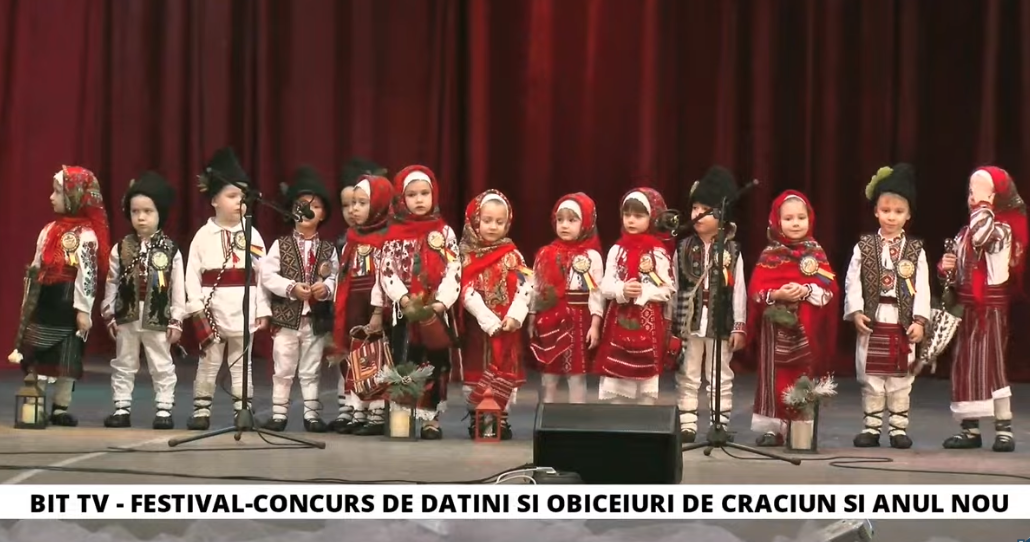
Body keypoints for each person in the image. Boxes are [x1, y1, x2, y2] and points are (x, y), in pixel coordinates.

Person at [9, 165, 111, 427]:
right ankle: (34, 403)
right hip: (45, 300)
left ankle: (60, 407)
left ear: (75, 197)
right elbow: (36, 264)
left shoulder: (85, 236)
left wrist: (83, 310)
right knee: (38, 355)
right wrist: (29, 298)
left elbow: (87, 276)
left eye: (57, 192)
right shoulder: (49, 230)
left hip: (68, 303)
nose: (51, 197)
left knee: (66, 358)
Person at [938, 166, 1027, 452]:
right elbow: (959, 270)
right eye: (971, 192)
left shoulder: (1001, 230)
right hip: (968, 309)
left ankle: (1004, 430)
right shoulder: (966, 231)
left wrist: (982, 205)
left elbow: (981, 236)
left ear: (995, 197)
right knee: (966, 368)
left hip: (990, 309)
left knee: (992, 366)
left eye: (981, 192)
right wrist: (946, 269)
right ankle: (970, 430)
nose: (973, 198)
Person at [185, 147, 272, 430]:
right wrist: (196, 308)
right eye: (232, 196)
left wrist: (262, 308)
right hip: (212, 310)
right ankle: (201, 410)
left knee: (242, 363)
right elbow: (191, 275)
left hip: (243, 309)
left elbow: (262, 274)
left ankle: (242, 411)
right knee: (209, 362)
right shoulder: (203, 235)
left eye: (243, 197)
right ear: (214, 200)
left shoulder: (252, 233)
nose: (239, 202)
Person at [844, 164, 930, 449]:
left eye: (898, 211)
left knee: (900, 376)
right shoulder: (864, 246)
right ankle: (871, 427)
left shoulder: (915, 250)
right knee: (871, 375)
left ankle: (897, 428)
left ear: (908, 215)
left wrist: (919, 320)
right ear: (876, 211)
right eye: (886, 210)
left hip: (902, 320)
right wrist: (856, 311)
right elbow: (852, 281)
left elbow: (923, 287)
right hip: (874, 317)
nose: (891, 217)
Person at [748, 190, 838, 446]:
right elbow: (756, 291)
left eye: (801, 217)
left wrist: (806, 290)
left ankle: (799, 428)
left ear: (810, 219)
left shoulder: (816, 254)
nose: (796, 223)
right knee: (774, 377)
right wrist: (777, 294)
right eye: (788, 218)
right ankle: (772, 428)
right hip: (774, 331)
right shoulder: (770, 254)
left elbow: (829, 290)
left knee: (801, 376)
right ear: (777, 221)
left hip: (806, 330)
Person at [378, 165, 462, 439]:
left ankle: (430, 419)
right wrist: (403, 298)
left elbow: (454, 269)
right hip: (404, 313)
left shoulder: (444, 232)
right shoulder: (393, 233)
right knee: (404, 361)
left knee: (435, 364)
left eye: (424, 193)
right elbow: (386, 270)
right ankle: (401, 418)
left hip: (434, 311)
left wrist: (441, 303)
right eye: (412, 195)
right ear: (402, 199)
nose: (419, 199)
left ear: (433, 194)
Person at [100, 171, 185, 429]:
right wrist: (109, 313)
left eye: (148, 211)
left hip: (158, 316)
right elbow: (112, 282)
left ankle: (164, 409)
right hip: (127, 315)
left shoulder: (171, 249)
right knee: (124, 362)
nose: (141, 217)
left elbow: (178, 288)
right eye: (135, 211)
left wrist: (177, 319)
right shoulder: (121, 247)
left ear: (160, 213)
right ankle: (121, 407)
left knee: (161, 363)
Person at [261, 166, 339, 433]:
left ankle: (312, 416)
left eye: (315, 206)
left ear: (323, 214)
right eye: (302, 205)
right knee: (283, 368)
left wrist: (325, 289)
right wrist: (291, 287)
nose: (308, 210)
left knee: (311, 369)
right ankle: (279, 414)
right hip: (286, 318)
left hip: (314, 320)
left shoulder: (328, 249)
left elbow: (335, 277)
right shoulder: (280, 245)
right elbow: (267, 275)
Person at [672, 166, 746, 442]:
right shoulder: (682, 248)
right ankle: (687, 423)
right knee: (688, 372)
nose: (697, 215)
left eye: (706, 210)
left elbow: (739, 290)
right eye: (695, 208)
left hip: (720, 320)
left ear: (722, 214)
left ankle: (719, 423)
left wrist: (739, 325)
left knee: (720, 373)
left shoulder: (732, 250)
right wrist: (672, 326)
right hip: (689, 322)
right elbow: (675, 287)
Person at [457, 190, 534, 439]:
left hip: (507, 327)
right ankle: (478, 417)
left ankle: (501, 418)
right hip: (479, 330)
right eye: (487, 220)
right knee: (477, 370)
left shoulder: (513, 254)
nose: (493, 227)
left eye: (499, 222)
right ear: (475, 220)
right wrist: (488, 320)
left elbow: (526, 286)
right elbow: (465, 290)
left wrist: (514, 316)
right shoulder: (465, 256)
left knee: (504, 369)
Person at [595, 187, 677, 405]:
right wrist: (622, 290)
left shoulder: (658, 252)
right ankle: (618, 417)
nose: (631, 220)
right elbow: (605, 285)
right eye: (627, 214)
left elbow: (668, 288)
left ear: (652, 218)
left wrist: (644, 291)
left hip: (648, 322)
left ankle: (645, 418)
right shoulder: (617, 250)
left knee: (645, 386)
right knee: (617, 380)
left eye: (638, 216)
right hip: (618, 319)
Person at [331, 173, 394, 435]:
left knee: (375, 359)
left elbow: (386, 277)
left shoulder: (387, 238)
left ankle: (376, 412)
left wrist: (378, 311)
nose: (354, 209)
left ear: (378, 204)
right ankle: (357, 409)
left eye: (362, 203)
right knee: (354, 357)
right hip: (354, 306)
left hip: (375, 307)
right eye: (352, 203)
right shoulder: (352, 238)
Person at [527, 193, 604, 405]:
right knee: (549, 373)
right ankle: (546, 411)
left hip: (578, 320)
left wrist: (595, 325)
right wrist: (532, 317)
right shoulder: (545, 254)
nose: (564, 225)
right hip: (549, 317)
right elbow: (536, 287)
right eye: (560, 220)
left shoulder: (591, 256)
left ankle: (576, 414)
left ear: (585, 223)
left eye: (572, 220)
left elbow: (596, 293)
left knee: (576, 373)